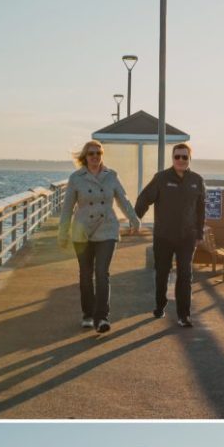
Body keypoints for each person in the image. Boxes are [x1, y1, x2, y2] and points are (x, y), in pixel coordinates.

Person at [58, 140, 140, 334]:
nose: (95, 157)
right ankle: (87, 314)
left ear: (102, 156)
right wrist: (62, 233)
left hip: (107, 229)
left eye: (98, 153)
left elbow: (123, 198)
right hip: (82, 231)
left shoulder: (111, 176)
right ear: (85, 157)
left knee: (102, 272)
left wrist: (134, 219)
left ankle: (102, 317)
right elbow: (67, 207)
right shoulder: (76, 177)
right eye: (91, 153)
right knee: (86, 275)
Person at [134, 143, 206, 328]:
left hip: (187, 237)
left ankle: (184, 315)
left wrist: (199, 233)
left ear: (190, 158)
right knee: (162, 273)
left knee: (185, 274)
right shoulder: (161, 178)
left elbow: (200, 209)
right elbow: (144, 198)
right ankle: (160, 305)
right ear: (172, 158)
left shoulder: (197, 180)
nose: (180, 160)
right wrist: (135, 219)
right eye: (177, 157)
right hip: (163, 236)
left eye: (184, 157)